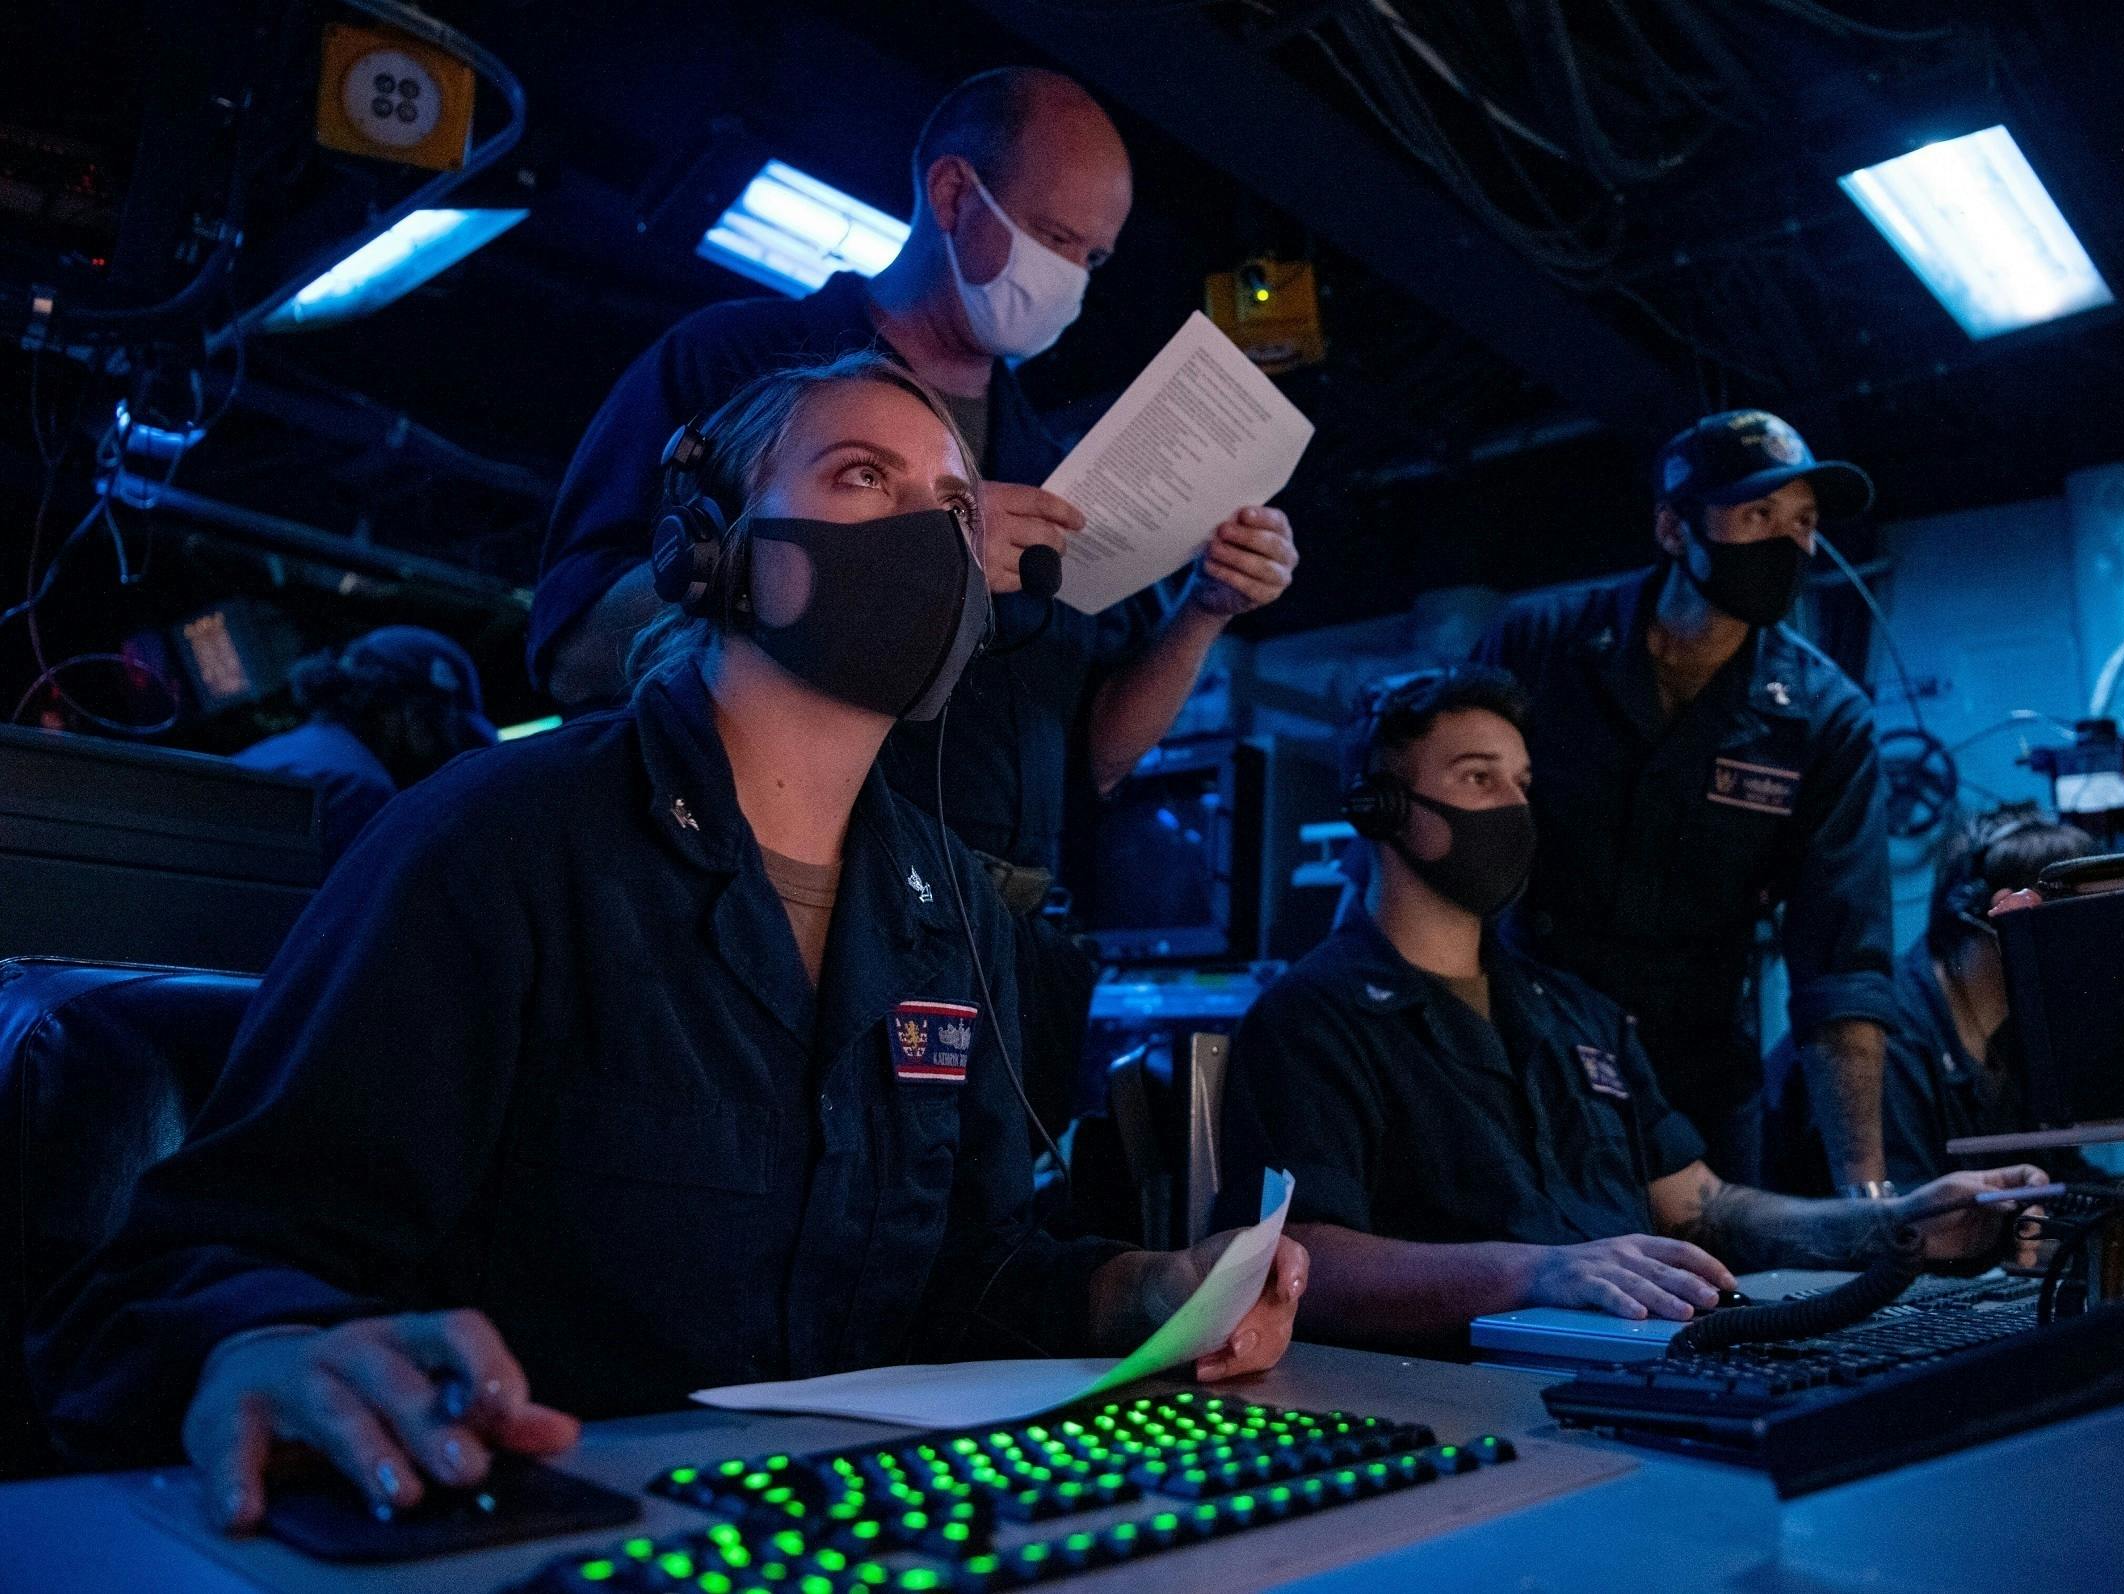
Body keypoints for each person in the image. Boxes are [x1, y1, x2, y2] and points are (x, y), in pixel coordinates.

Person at [28, 354, 1305, 1531]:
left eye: (958, 511)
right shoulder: (497, 841)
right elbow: (196, 1261)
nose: (931, 534)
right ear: (713, 548)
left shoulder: (952, 902)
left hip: (849, 1530)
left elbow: (960, 1278)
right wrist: (256, 1342)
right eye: (865, 476)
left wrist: (1132, 1294)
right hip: (545, 1524)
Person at [532, 65, 1298, 1130]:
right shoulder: (740, 363)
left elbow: (1097, 761)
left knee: (974, 1262)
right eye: (1050, 232)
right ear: (951, 196)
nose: (1070, 275)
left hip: (994, 950)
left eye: (1093, 256)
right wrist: (899, 556)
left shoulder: (1055, 464)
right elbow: (578, 648)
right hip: (767, 909)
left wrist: (1206, 610)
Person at [1214, 667, 2036, 1353]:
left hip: (1648, 1357)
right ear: (1380, 809)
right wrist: (1536, 1271)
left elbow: (1704, 1209)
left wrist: (1890, 1228)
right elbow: (1300, 1260)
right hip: (1462, 1390)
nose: (1513, 807)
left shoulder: (1579, 1015)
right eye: (1477, 777)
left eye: (1520, 783)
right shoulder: (1310, 1019)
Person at [1474, 409, 1897, 1194]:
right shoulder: (1540, 645)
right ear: (1674, 530)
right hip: (1525, 1047)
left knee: (1713, 1294)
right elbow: (1431, 834)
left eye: (1802, 522)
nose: (1787, 542)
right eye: (1756, 515)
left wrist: (1867, 1202)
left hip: (1695, 1071)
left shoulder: (1824, 718)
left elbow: (1840, 963)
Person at [1767, 808, 2097, 1192]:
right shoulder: (1883, 1042)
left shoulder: (2012, 1037)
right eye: (2081, 922)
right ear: (2008, 914)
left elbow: (2063, 1177)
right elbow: (1914, 1226)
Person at [231, 625, 497, 863]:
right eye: (445, 729)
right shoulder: (360, 788)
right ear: (407, 711)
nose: (449, 749)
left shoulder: (272, 750)